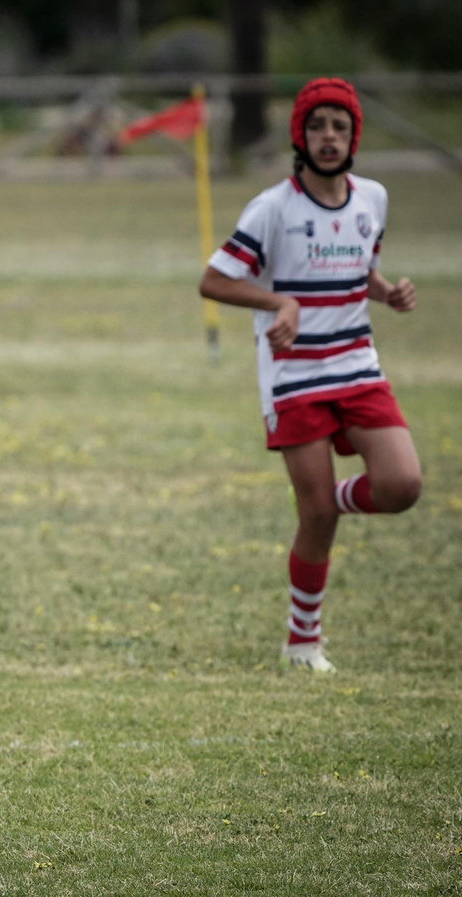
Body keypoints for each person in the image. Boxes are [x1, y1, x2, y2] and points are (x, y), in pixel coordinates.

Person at [199, 78, 420, 673]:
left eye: (340, 127)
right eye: (318, 126)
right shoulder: (274, 207)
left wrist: (386, 291)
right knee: (315, 516)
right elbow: (214, 280)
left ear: (354, 137)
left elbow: (361, 266)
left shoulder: (372, 197)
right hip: (294, 376)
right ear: (301, 133)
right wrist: (279, 304)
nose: (329, 137)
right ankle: (302, 642)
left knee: (402, 486)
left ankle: (328, 502)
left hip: (357, 365)